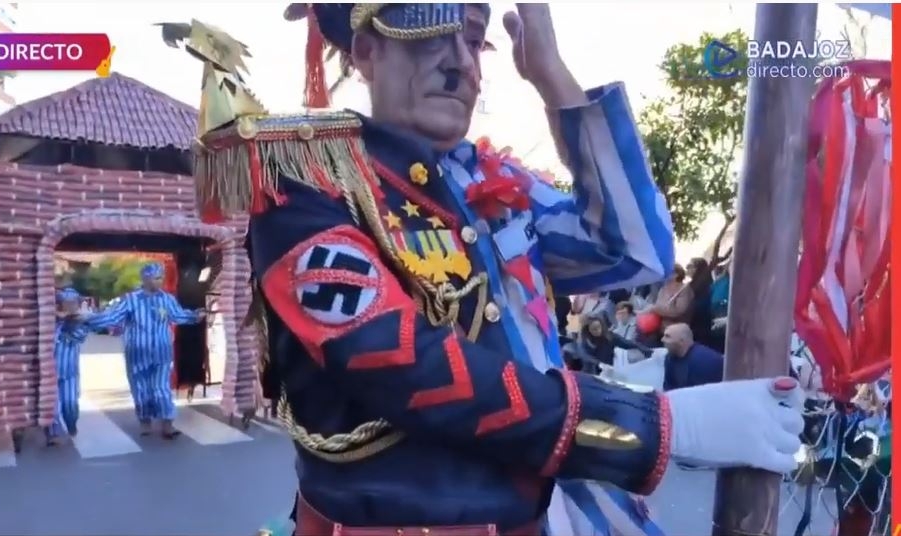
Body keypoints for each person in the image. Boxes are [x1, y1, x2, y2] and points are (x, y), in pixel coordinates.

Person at [214, 4, 805, 535]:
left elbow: (636, 250)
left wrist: (551, 75)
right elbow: (404, 368)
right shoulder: (307, 179)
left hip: (535, 513)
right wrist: (662, 425)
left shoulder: (493, 182)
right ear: (367, 49)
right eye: (428, 31)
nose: (459, 66)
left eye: (474, 40)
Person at [88, 262, 206, 439]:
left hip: (161, 352)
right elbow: (112, 317)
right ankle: (145, 421)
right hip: (137, 354)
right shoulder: (130, 300)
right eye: (156, 278)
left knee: (161, 388)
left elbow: (178, 315)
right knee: (140, 388)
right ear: (145, 278)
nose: (159, 282)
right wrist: (87, 320)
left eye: (161, 278)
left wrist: (195, 315)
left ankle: (168, 424)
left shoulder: (167, 299)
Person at [46, 287, 94, 446]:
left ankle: (72, 424)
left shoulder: (80, 323)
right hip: (49, 373)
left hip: (70, 373)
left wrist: (69, 320)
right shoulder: (49, 322)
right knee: (51, 405)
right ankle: (53, 433)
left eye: (73, 303)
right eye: (65, 303)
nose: (69, 306)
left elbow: (78, 336)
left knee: (70, 404)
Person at [660, 323, 725, 391]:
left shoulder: (704, 361)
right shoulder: (670, 358)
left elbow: (703, 394)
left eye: (667, 336)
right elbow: (668, 389)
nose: (662, 339)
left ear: (681, 341)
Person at [645, 264, 694, 332]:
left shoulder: (684, 290)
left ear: (676, 275)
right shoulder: (664, 288)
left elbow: (679, 311)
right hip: (657, 327)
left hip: (675, 331)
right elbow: (658, 304)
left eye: (668, 272)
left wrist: (654, 309)